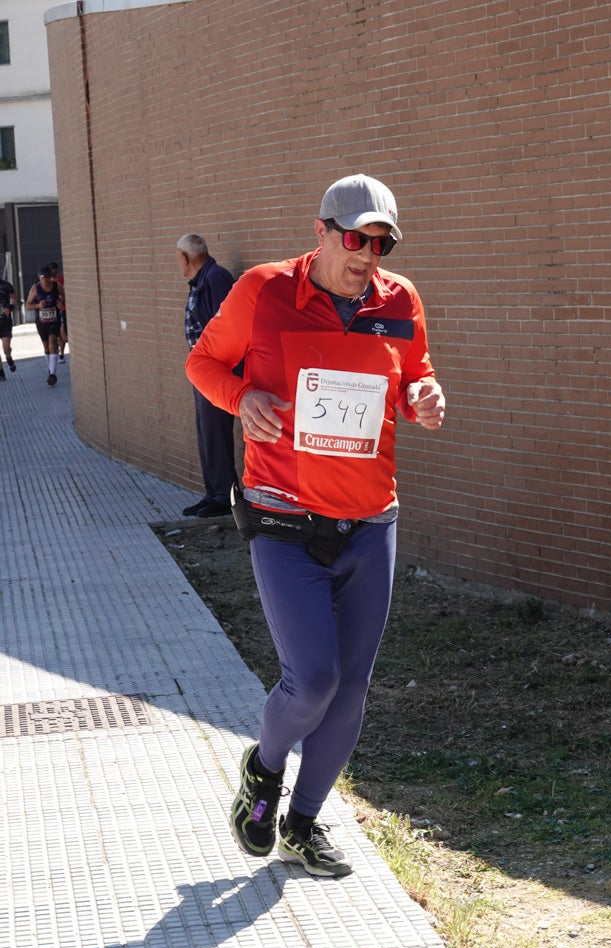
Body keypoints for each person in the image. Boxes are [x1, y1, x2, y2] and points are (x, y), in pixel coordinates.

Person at [186, 173, 445, 877]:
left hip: (368, 519)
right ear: (322, 229)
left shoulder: (400, 301)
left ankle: (302, 822)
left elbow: (414, 374)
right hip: (282, 518)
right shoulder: (263, 291)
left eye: (381, 241)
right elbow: (202, 361)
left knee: (352, 690)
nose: (367, 252)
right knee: (314, 680)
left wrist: (423, 395)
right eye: (355, 237)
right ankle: (263, 770)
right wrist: (242, 399)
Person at [177, 233, 238, 518]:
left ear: (185, 258)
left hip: (216, 372)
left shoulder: (216, 279)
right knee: (206, 432)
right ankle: (212, 493)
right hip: (203, 370)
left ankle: (224, 497)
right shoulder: (202, 280)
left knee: (215, 433)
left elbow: (227, 328)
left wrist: (216, 370)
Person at [24, 266, 64, 386]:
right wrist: (38, 306)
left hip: (54, 320)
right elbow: (27, 306)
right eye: (43, 278)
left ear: (50, 277)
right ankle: (50, 368)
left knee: (53, 343)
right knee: (46, 347)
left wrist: (61, 303)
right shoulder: (35, 289)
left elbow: (66, 298)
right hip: (41, 322)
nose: (45, 280)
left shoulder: (57, 286)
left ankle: (52, 374)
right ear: (39, 278)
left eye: (47, 277)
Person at [49, 263, 68, 361]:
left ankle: (61, 353)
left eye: (54, 270)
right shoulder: (45, 283)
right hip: (52, 312)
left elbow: (65, 293)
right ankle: (59, 353)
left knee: (63, 335)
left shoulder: (60, 281)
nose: (53, 272)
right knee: (56, 335)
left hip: (62, 310)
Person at [0, 275, 16, 379]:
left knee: (6, 348)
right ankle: (1, 373)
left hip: (5, 321)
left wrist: (10, 307)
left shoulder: (6, 285)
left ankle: (9, 357)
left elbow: (14, 299)